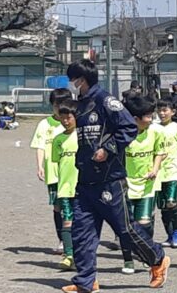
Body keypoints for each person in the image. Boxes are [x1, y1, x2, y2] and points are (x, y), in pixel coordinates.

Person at [62, 59, 170, 293]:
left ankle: (158, 259)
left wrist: (108, 149)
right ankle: (86, 281)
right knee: (82, 233)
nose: (71, 83)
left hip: (109, 180)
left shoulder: (105, 100)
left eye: (73, 79)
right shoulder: (81, 104)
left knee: (125, 230)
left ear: (82, 79)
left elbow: (129, 127)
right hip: (85, 180)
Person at [120, 95, 166, 274]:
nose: (151, 119)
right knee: (126, 226)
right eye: (147, 116)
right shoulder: (123, 133)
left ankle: (147, 255)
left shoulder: (156, 132)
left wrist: (155, 169)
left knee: (144, 222)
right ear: (135, 119)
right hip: (126, 185)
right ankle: (128, 260)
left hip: (147, 184)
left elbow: (159, 152)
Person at [30, 89, 72, 255]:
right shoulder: (44, 124)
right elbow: (40, 146)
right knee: (57, 206)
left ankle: (75, 238)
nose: (59, 108)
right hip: (53, 172)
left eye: (62, 104)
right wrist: (40, 166)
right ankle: (62, 239)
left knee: (73, 206)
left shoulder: (73, 122)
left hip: (71, 173)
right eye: (56, 105)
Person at [156, 97, 177, 248]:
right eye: (160, 110)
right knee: (163, 207)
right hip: (157, 174)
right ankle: (169, 235)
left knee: (171, 202)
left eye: (165, 110)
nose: (162, 113)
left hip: (173, 172)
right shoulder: (153, 128)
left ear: (173, 112)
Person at [51, 99, 78, 271]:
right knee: (67, 221)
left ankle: (81, 253)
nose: (66, 121)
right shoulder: (58, 139)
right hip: (65, 187)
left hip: (83, 187)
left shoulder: (82, 136)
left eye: (69, 117)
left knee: (83, 224)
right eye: (63, 118)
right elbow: (56, 162)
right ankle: (69, 255)